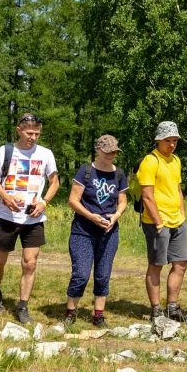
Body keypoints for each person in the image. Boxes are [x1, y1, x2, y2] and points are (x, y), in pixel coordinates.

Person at [0, 113, 60, 324]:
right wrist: (5, 196)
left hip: (33, 218)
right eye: (29, 133)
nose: (33, 137)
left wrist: (44, 202)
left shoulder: (45, 154)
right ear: (19, 130)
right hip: (7, 216)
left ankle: (23, 305)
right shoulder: (5, 151)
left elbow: (55, 182)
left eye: (37, 134)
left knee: (30, 263)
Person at [65, 134, 128, 328]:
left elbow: (123, 201)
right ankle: (70, 313)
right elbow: (73, 201)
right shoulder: (85, 171)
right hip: (83, 231)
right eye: (108, 151)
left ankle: (98, 315)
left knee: (103, 274)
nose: (111, 155)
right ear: (98, 150)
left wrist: (116, 215)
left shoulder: (119, 174)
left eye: (114, 152)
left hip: (109, 232)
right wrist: (91, 216)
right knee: (81, 274)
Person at [138, 121, 187, 323]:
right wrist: (159, 222)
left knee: (181, 263)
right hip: (157, 222)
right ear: (158, 140)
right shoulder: (150, 161)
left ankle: (172, 307)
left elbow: (177, 189)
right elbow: (147, 195)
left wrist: (182, 213)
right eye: (168, 140)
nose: (172, 144)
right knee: (156, 264)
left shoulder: (176, 160)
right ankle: (156, 310)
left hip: (177, 220)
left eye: (175, 140)